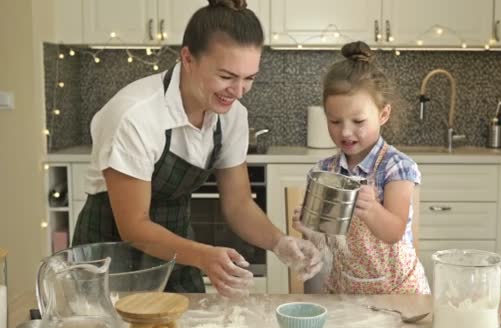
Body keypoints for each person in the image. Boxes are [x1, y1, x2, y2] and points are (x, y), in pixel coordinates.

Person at [72, 0, 321, 297]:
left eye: (249, 78)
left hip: (178, 251)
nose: (238, 91)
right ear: (188, 58)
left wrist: (280, 243)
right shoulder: (135, 116)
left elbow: (238, 204)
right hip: (112, 257)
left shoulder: (231, 117)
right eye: (226, 76)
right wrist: (204, 256)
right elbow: (134, 227)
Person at [293, 41, 430, 295]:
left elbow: (394, 232)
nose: (345, 132)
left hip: (399, 292)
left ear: (383, 114)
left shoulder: (396, 168)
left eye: (358, 121)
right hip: (347, 291)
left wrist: (373, 210)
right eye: (334, 121)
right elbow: (328, 245)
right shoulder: (325, 171)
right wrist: (310, 229)